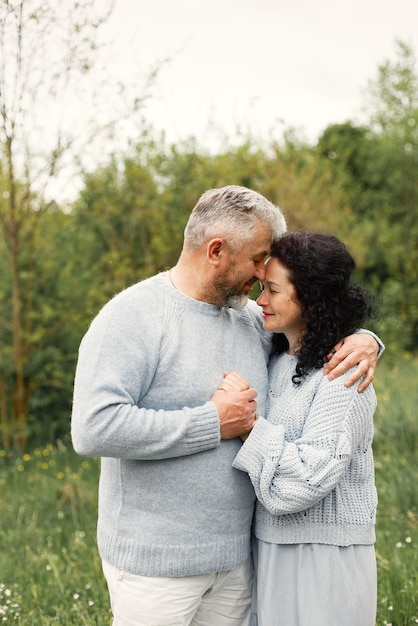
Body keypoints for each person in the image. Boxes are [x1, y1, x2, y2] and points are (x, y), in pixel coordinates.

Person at [71, 186, 381, 626]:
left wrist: (366, 341)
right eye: (257, 259)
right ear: (216, 250)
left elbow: (311, 331)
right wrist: (212, 422)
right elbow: (93, 428)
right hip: (157, 567)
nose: (261, 277)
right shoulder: (132, 316)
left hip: (241, 560)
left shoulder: (250, 319)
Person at [226, 231, 379, 626]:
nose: (260, 300)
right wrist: (370, 339)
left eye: (273, 290)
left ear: (310, 297)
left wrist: (249, 427)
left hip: (325, 558)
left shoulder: (343, 377)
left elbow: (304, 481)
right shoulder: (277, 356)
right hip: (269, 550)